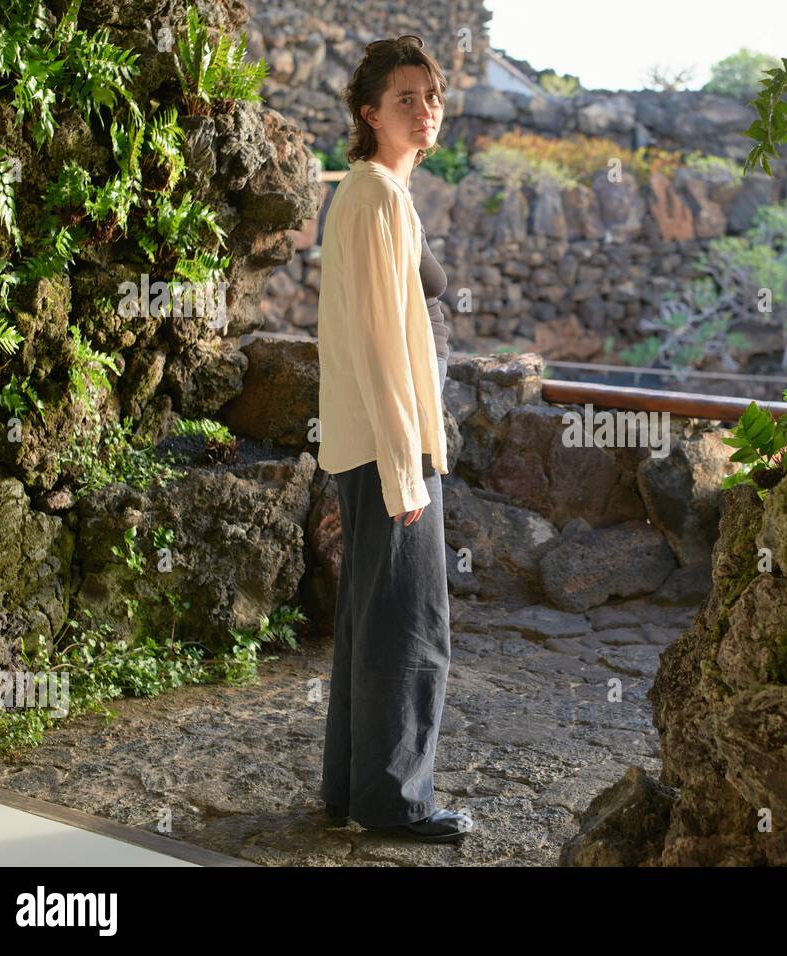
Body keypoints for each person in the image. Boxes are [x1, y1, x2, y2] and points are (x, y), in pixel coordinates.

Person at [315, 34, 471, 842]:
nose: (424, 108)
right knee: (412, 630)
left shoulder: (373, 193)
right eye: (404, 98)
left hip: (372, 443)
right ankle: (396, 803)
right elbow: (379, 342)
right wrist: (407, 473)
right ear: (369, 112)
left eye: (432, 95)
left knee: (372, 625)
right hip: (391, 450)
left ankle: (349, 789)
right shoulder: (376, 196)